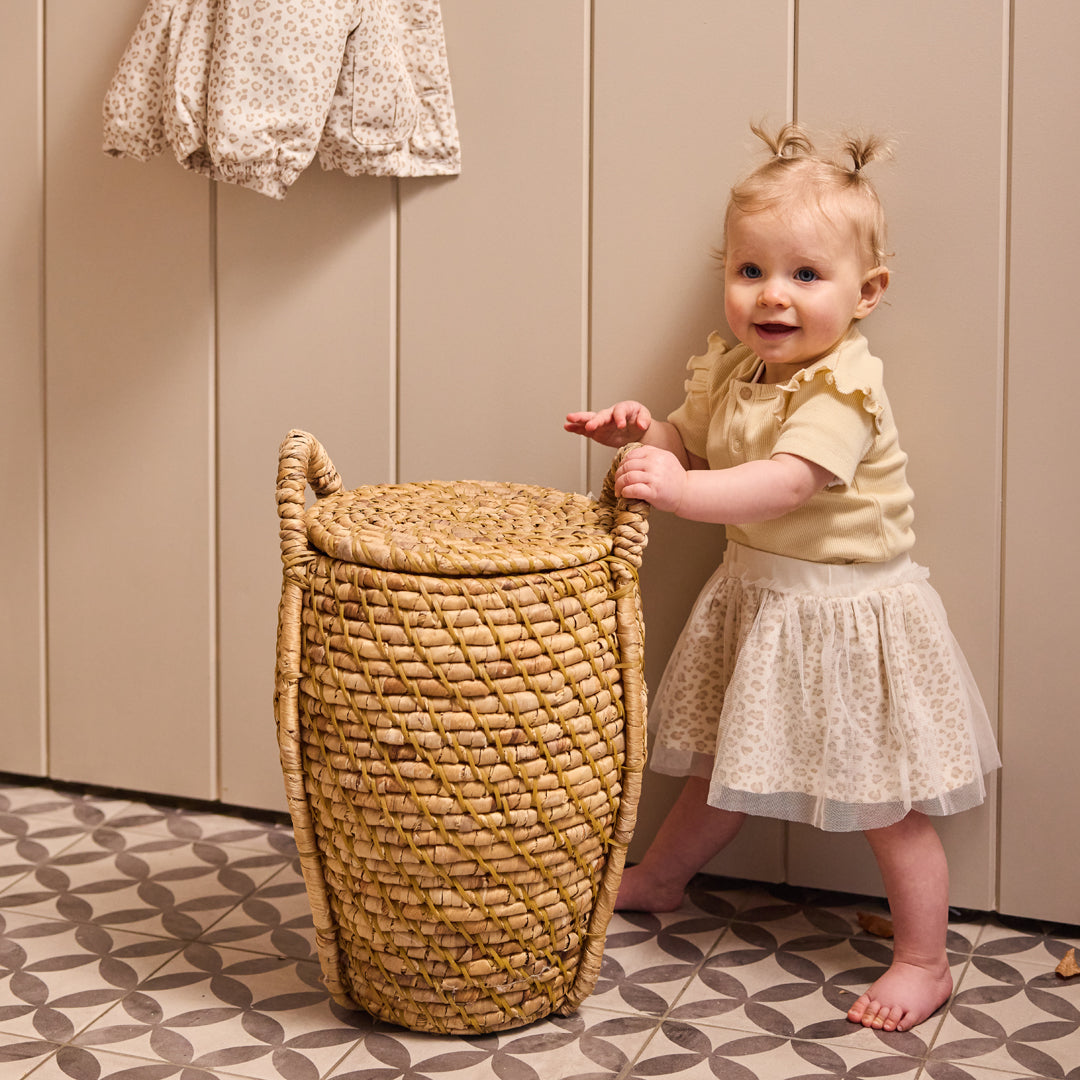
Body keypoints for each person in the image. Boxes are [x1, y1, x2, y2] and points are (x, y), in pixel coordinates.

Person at [565, 122, 1000, 1035]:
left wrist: (680, 493)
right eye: (751, 270)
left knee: (884, 800)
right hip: (763, 603)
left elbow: (788, 481)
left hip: (843, 616)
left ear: (867, 292)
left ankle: (924, 960)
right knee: (721, 765)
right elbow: (688, 440)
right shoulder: (735, 366)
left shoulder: (844, 387)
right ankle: (663, 877)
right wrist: (644, 437)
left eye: (806, 275)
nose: (773, 294)